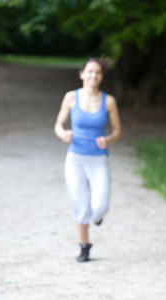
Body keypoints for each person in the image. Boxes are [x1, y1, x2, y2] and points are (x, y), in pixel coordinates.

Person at [54, 58, 121, 262]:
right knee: (79, 203)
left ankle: (98, 217)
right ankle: (84, 246)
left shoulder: (108, 101)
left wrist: (108, 139)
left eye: (98, 73)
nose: (93, 76)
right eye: (90, 71)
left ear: (101, 76)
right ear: (82, 73)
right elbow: (58, 124)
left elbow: (117, 131)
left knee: (100, 206)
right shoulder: (70, 97)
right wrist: (63, 134)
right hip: (75, 159)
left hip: (98, 160)